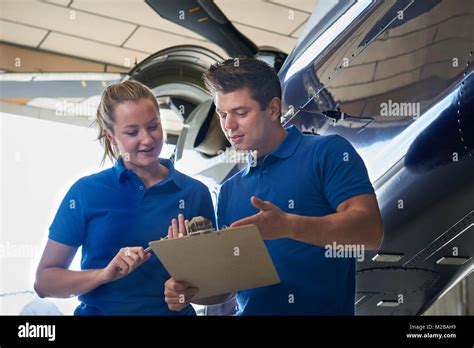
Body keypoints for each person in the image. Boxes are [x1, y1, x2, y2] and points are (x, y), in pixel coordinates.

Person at [164, 57, 383, 315]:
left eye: (240, 113)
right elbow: (231, 285)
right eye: (222, 114)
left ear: (273, 109)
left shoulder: (327, 152)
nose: (228, 126)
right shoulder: (228, 191)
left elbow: (370, 231)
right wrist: (190, 288)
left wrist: (289, 226)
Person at [35, 80, 215, 315]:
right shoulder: (85, 193)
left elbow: (214, 285)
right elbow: (44, 283)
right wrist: (103, 274)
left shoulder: (194, 193)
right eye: (132, 132)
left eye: (153, 126)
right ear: (111, 136)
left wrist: (183, 292)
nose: (148, 139)